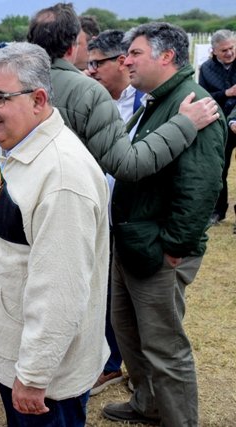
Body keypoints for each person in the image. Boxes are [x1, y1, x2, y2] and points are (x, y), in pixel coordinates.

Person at [0, 42, 110, 427]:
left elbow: (61, 291)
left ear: (38, 99)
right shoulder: (23, 147)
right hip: (18, 353)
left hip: (46, 381)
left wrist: (34, 375)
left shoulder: (61, 176)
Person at [102, 22, 225, 426]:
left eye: (135, 53)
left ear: (166, 56)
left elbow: (200, 187)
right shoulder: (159, 101)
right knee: (128, 331)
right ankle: (148, 404)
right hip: (133, 240)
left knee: (164, 347)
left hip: (156, 249)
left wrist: (173, 247)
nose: (126, 61)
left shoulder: (195, 104)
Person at [26, 2, 220, 182]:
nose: (127, 62)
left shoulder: (18, 81)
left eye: (135, 53)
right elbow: (126, 165)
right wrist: (184, 124)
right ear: (71, 48)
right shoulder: (87, 91)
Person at [85, 29, 145, 397]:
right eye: (87, 64)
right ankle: (109, 364)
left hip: (133, 220)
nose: (89, 71)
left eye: (96, 64)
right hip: (97, 217)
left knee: (134, 301)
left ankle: (138, 374)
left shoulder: (146, 103)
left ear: (120, 62)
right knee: (104, 295)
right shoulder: (90, 101)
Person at [199, 29, 236, 225]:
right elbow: (204, 96)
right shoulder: (205, 69)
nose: (229, 53)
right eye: (224, 50)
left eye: (232, 48)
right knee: (219, 169)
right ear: (213, 51)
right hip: (219, 125)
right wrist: (226, 93)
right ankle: (218, 211)